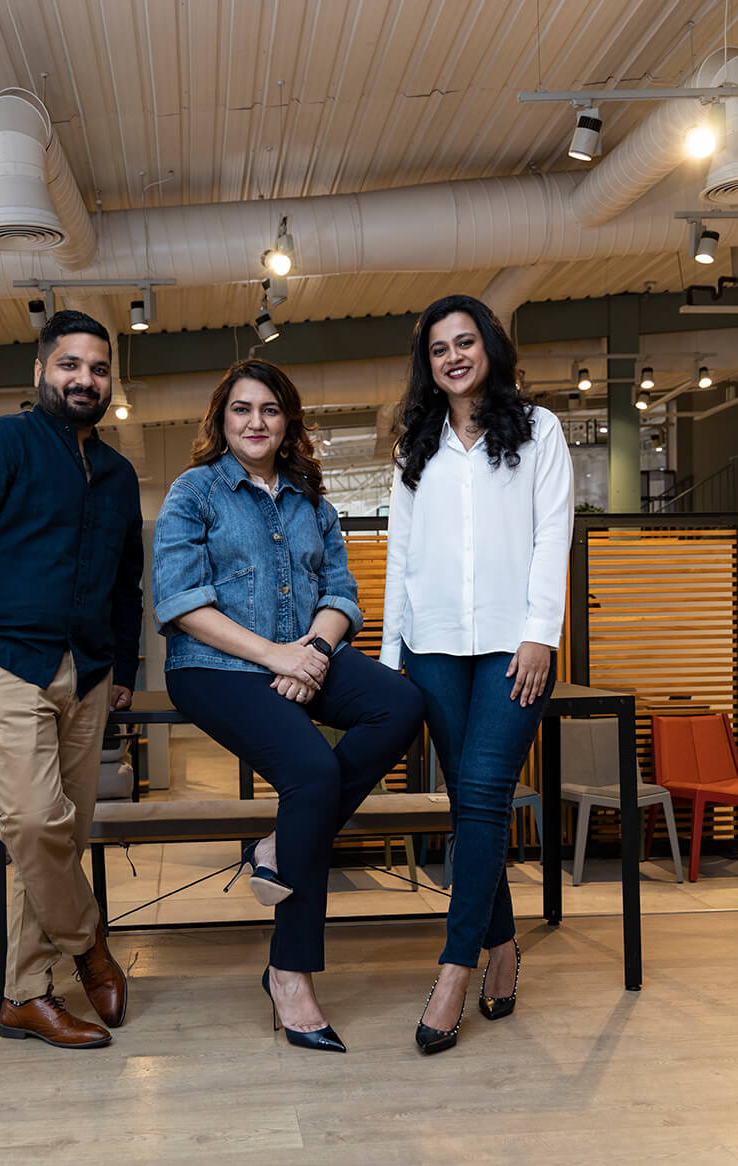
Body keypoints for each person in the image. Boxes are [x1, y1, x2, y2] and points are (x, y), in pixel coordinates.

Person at [152, 358, 424, 1053]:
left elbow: (343, 595)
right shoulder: (196, 492)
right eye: (242, 409)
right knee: (313, 771)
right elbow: (180, 603)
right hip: (214, 665)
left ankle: (280, 846)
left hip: (305, 653)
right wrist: (278, 657)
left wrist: (315, 652)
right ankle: (291, 971)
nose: (256, 422)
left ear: (287, 422)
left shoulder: (312, 499)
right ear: (222, 420)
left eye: (270, 410)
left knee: (397, 703)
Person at [0, 310, 143, 1050]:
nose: (86, 379)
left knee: (54, 842)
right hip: (6, 665)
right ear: (40, 371)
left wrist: (121, 672)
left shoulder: (116, 474)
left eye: (99, 368)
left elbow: (125, 584)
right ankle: (90, 947)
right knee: (35, 825)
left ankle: (25, 995)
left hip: (88, 676)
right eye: (71, 364)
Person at [380, 294, 573, 1055]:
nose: (453, 356)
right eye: (438, 348)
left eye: (465, 341)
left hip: (508, 645)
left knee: (487, 791)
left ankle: (453, 969)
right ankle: (501, 945)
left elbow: (555, 531)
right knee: (471, 804)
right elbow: (400, 555)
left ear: (489, 346)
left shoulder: (540, 430)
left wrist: (540, 634)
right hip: (430, 645)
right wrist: (393, 657)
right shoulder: (414, 447)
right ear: (427, 365)